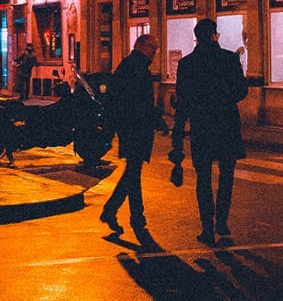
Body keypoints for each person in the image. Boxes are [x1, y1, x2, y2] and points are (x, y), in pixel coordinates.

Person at [171, 18, 251, 246]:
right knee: (227, 175)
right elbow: (241, 91)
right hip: (226, 123)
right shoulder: (229, 58)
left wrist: (178, 136)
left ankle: (207, 226)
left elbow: (183, 101)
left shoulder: (187, 64)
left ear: (197, 37)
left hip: (201, 126)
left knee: (203, 178)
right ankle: (222, 221)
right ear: (215, 35)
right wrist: (224, 98)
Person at [100, 35, 162, 235]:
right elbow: (140, 103)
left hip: (130, 127)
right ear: (141, 46)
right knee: (133, 173)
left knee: (133, 173)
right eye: (152, 48)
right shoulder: (135, 68)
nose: (154, 52)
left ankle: (128, 215)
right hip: (135, 127)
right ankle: (126, 214)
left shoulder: (130, 66)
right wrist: (156, 120)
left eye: (156, 49)